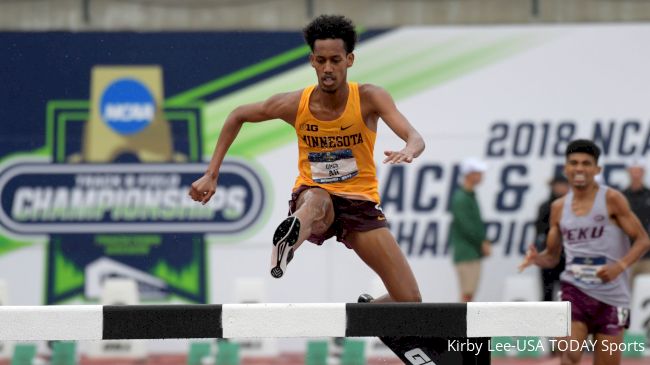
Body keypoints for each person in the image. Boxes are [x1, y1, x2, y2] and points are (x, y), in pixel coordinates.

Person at [189, 14, 423, 304]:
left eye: (335, 60)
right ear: (312, 60)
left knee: (410, 301)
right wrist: (212, 173)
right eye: (321, 60)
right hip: (314, 195)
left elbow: (414, 136)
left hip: (359, 203)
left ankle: (365, 313)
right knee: (317, 203)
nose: (327, 69)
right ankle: (288, 241)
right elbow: (238, 115)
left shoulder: (368, 98)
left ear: (349, 60)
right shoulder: (293, 104)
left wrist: (410, 149)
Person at [519, 139, 650, 365]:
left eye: (586, 163)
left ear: (596, 170)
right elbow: (552, 256)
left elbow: (643, 240)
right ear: (566, 168)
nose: (579, 168)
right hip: (575, 292)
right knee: (568, 356)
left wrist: (619, 266)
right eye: (574, 163)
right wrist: (538, 258)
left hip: (612, 298)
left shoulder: (612, 199)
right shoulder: (558, 208)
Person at [449, 157, 491, 302]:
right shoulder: (461, 198)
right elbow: (467, 227)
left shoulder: (468, 196)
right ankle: (461, 323)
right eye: (478, 173)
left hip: (471, 252)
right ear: (470, 174)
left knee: (469, 293)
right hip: (467, 252)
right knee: (467, 294)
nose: (482, 176)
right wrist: (482, 242)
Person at [534, 173, 569, 301]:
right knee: (547, 292)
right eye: (557, 185)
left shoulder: (573, 207)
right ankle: (546, 320)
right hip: (548, 255)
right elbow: (539, 231)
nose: (560, 188)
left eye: (563, 185)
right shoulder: (544, 207)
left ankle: (569, 320)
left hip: (567, 257)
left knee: (568, 293)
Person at [622, 158, 650, 287]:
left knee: (645, 294)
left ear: (643, 172)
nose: (636, 174)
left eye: (638, 171)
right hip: (627, 256)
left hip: (647, 257)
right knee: (625, 295)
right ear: (628, 172)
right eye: (633, 171)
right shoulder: (621, 197)